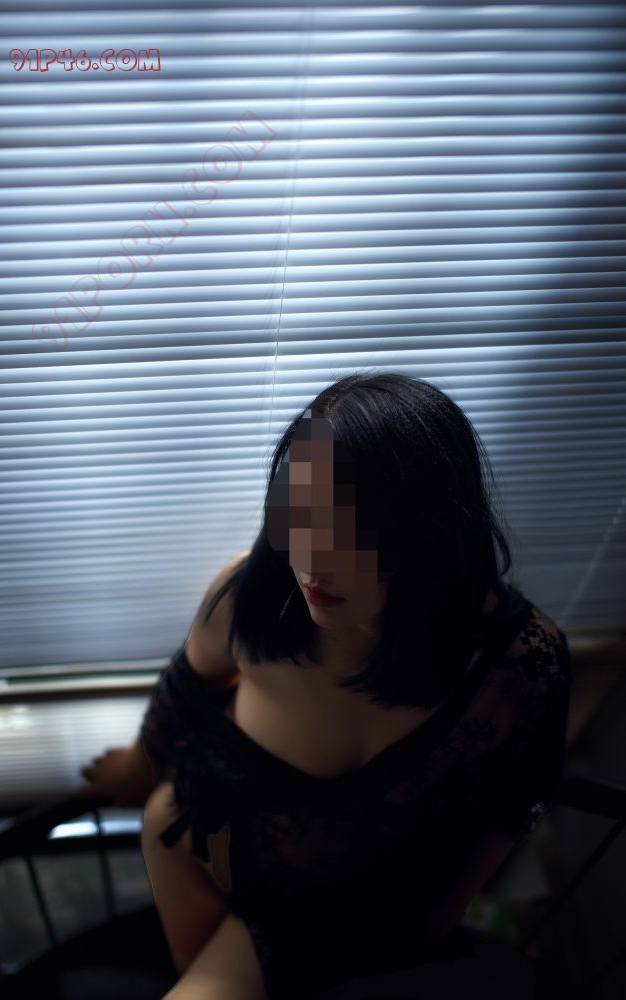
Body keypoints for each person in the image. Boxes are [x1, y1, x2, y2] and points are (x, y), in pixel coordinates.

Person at [79, 371, 572, 1000]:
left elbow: (515, 798)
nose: (312, 560)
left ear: (431, 537)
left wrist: (444, 913)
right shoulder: (251, 600)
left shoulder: (517, 663)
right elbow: (184, 692)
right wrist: (132, 769)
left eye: (354, 533)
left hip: (351, 916)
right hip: (201, 852)